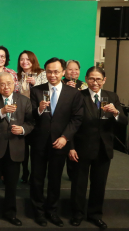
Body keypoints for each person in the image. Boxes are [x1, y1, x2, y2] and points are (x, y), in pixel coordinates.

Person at [68, 67, 126, 229]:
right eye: (92, 79)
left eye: (98, 79)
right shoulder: (78, 96)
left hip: (104, 148)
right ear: (86, 79)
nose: (95, 82)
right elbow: (71, 123)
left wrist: (115, 112)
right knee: (79, 184)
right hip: (81, 147)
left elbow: (123, 121)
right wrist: (71, 147)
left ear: (104, 80)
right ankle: (77, 214)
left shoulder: (111, 96)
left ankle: (95, 215)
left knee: (99, 184)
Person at [29, 57, 84, 227]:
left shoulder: (73, 93)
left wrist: (65, 137)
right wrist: (38, 109)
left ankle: (52, 211)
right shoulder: (36, 91)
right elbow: (30, 116)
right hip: (39, 141)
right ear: (45, 72)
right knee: (36, 178)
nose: (52, 75)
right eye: (49, 71)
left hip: (60, 142)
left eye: (56, 71)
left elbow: (76, 119)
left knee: (55, 178)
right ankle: (38, 212)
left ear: (63, 72)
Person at [0, 72, 34, 226]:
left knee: (11, 184)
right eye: (2, 84)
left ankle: (10, 213)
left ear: (14, 84)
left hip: (15, 149)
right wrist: (1, 112)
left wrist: (22, 130)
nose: (6, 87)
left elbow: (31, 122)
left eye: (9, 83)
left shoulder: (23, 100)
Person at [16, 50, 46, 183]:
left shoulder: (42, 73)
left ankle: (35, 174)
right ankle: (24, 172)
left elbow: (46, 91)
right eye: (22, 59)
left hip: (36, 113)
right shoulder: (16, 75)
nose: (25, 62)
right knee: (21, 146)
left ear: (33, 60)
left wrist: (35, 84)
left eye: (28, 59)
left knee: (35, 147)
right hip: (20, 113)